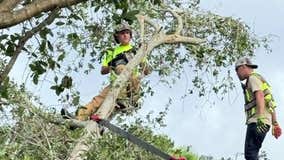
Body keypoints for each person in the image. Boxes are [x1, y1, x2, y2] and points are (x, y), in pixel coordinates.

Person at [69, 22, 150, 121]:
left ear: (130, 35)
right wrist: (113, 64)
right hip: (115, 83)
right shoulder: (111, 52)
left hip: (131, 85)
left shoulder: (136, 50)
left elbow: (146, 71)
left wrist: (142, 52)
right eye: (122, 33)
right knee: (97, 100)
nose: (125, 35)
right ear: (118, 36)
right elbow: (103, 70)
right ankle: (79, 117)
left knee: (129, 76)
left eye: (127, 33)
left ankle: (128, 101)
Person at [235, 57, 282, 160]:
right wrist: (275, 123)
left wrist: (260, 118)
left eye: (237, 69)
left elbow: (260, 96)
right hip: (265, 122)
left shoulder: (252, 78)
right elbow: (269, 102)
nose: (236, 73)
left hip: (257, 121)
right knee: (253, 152)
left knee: (250, 153)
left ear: (243, 67)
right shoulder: (260, 79)